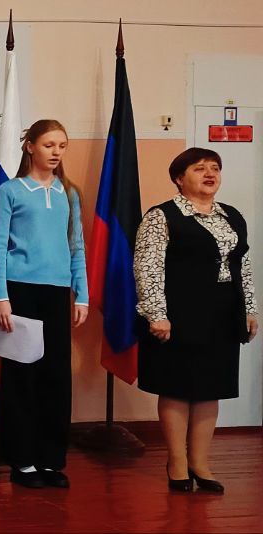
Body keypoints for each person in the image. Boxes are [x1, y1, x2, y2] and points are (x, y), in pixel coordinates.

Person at [134, 147, 258, 494]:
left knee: (210, 388)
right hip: (178, 313)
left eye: (215, 168)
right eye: (199, 168)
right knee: (177, 386)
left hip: (222, 313)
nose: (209, 174)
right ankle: (176, 462)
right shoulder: (161, 216)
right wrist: (157, 314)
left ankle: (200, 463)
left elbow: (243, 266)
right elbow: (147, 268)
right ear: (179, 178)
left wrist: (249, 308)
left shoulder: (231, 216)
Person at [0, 119, 89, 489]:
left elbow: (76, 245)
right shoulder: (11, 191)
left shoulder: (69, 193)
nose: (56, 152)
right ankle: (22, 460)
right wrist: (2, 296)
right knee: (21, 378)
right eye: (49, 144)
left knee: (56, 378)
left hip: (56, 293)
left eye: (61, 145)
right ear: (30, 146)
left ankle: (50, 460)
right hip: (20, 292)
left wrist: (82, 294)